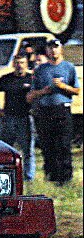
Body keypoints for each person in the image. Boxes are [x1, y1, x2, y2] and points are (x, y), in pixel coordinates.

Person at [26, 38, 81, 185]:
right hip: (45, 111)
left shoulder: (68, 67)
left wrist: (63, 86)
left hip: (62, 109)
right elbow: (31, 94)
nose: (53, 50)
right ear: (47, 50)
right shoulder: (41, 70)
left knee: (63, 144)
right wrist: (43, 91)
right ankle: (51, 176)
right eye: (50, 48)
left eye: (56, 47)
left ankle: (65, 177)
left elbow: (77, 90)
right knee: (47, 145)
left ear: (60, 49)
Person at [0, 53, 35, 180]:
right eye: (17, 63)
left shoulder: (31, 79)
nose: (19, 65)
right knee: (5, 148)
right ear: (14, 64)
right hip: (8, 118)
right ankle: (4, 174)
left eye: (22, 63)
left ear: (26, 64)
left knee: (28, 150)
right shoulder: (7, 79)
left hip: (25, 117)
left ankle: (28, 176)